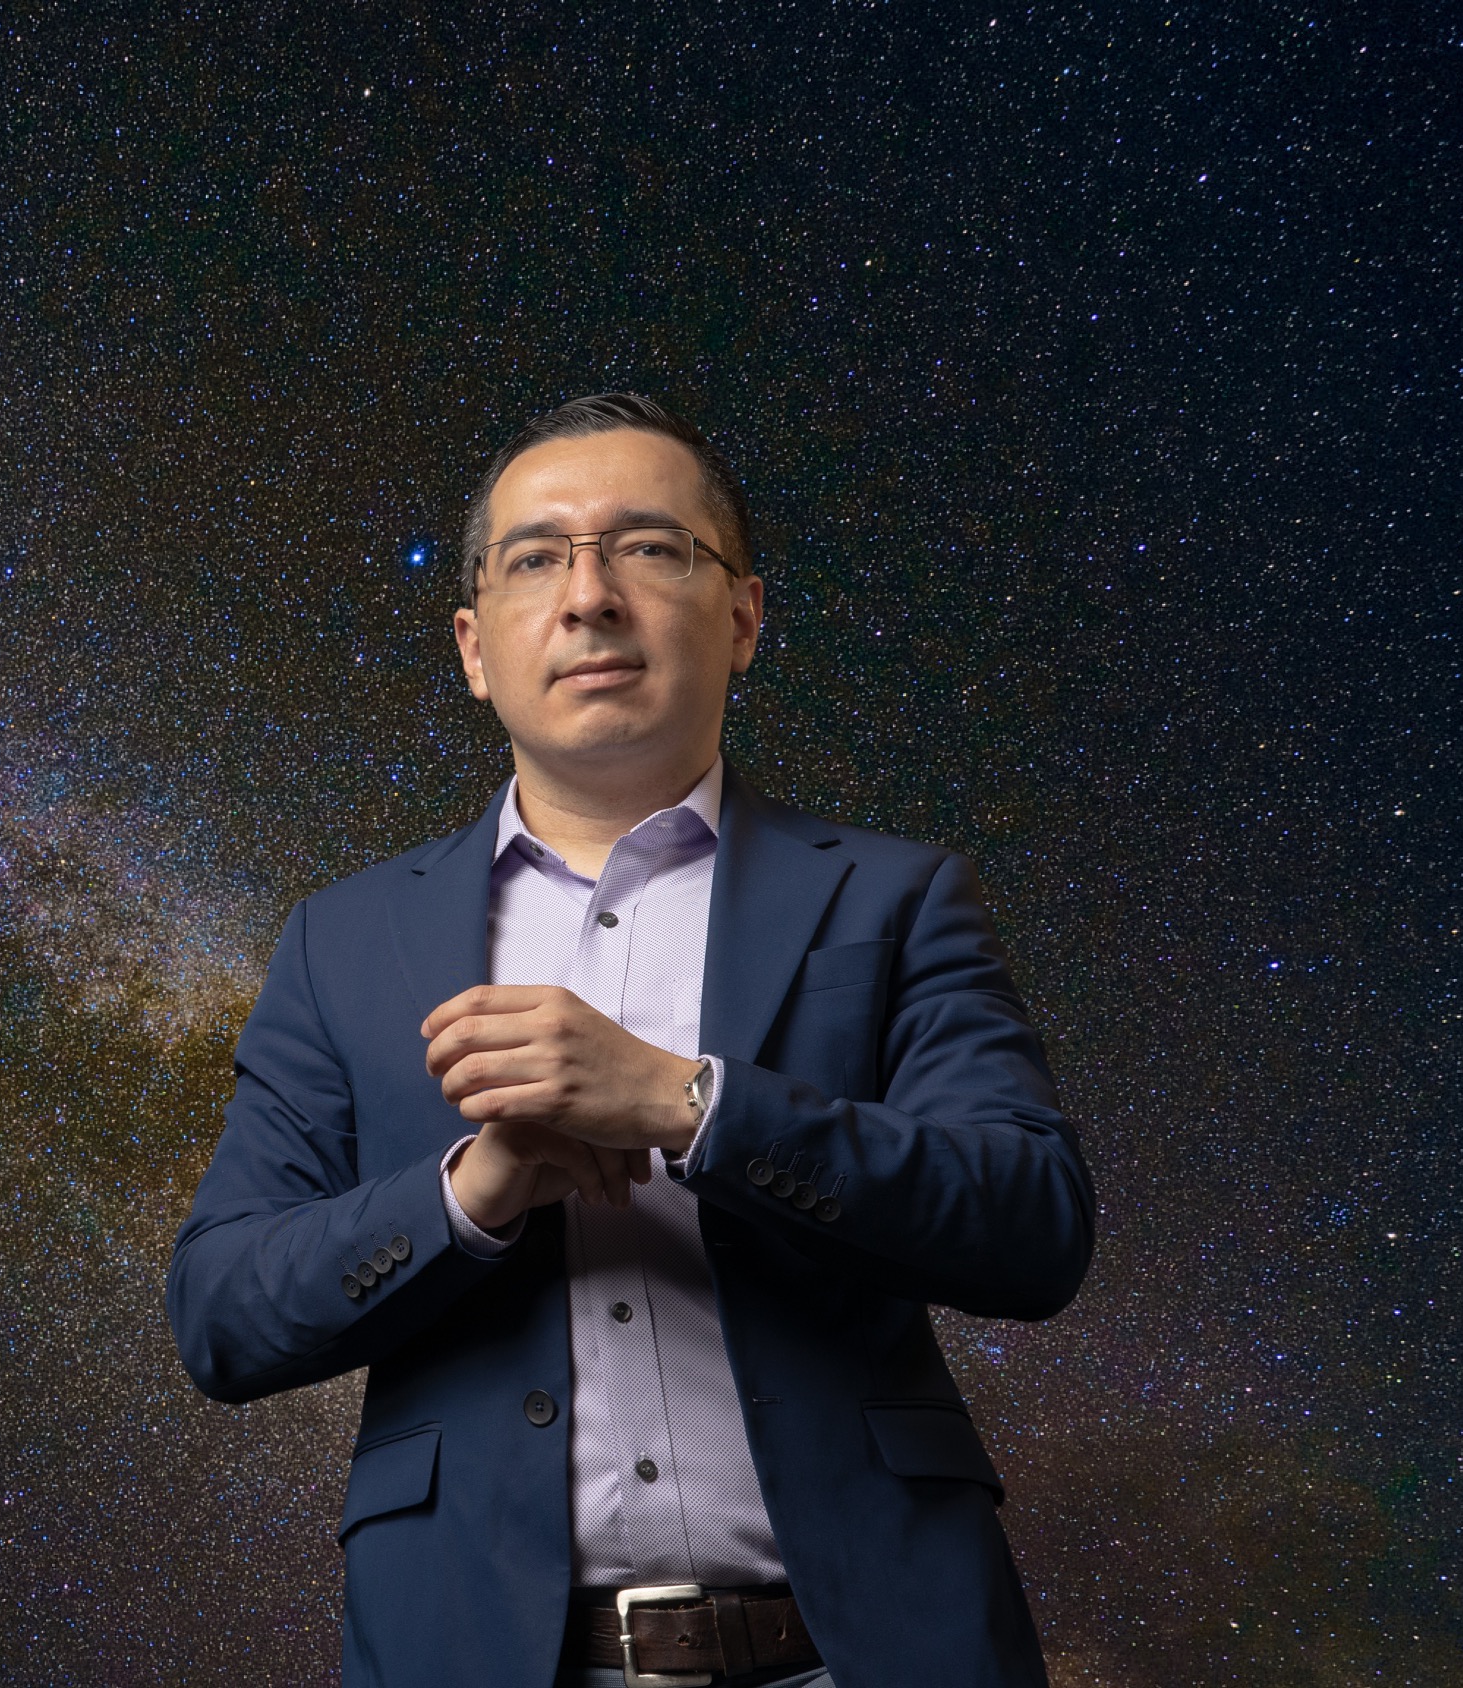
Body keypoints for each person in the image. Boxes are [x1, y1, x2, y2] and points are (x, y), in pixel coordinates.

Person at [165, 394, 1095, 1688]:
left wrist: (687, 1103)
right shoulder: (342, 940)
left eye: (650, 548)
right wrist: (470, 1196)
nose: (589, 597)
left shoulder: (894, 896)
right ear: (474, 646)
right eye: (534, 559)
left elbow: (1034, 1225)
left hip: (866, 1651)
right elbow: (221, 1315)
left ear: (745, 618)